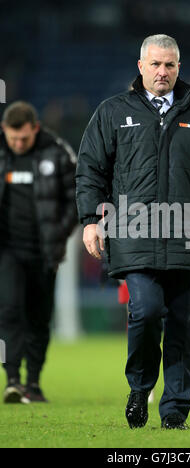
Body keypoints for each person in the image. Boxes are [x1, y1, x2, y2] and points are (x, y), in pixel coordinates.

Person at [76, 34, 190, 429]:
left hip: (187, 234)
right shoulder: (112, 112)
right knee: (145, 311)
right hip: (133, 233)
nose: (162, 71)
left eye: (169, 65)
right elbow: (90, 170)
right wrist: (90, 221)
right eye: (155, 64)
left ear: (179, 67)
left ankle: (175, 413)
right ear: (141, 66)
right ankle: (139, 387)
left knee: (182, 324)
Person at [0, 101, 77, 403]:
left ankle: (33, 381)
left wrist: (60, 232)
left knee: (39, 317)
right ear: (4, 130)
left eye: (24, 138)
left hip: (45, 250)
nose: (19, 144)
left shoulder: (57, 151)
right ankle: (13, 380)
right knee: (8, 310)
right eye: (13, 138)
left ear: (35, 128)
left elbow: (77, 198)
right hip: (6, 249)